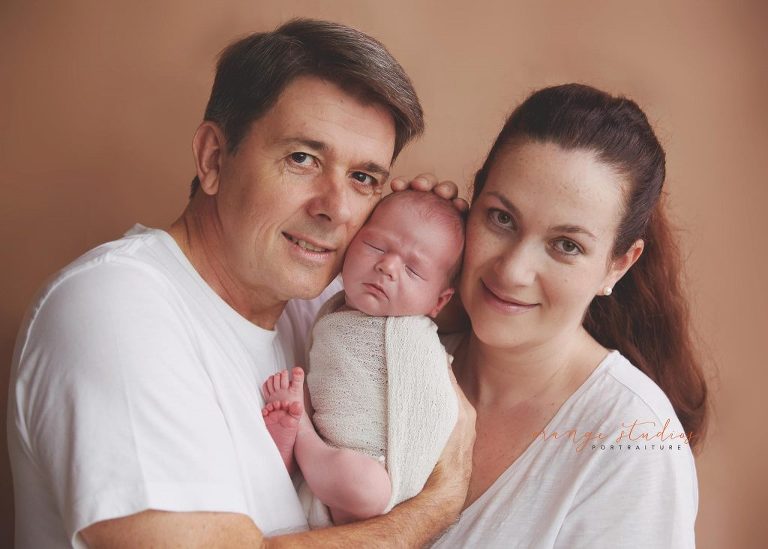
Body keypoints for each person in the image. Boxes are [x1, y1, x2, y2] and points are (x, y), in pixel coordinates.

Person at [7, 19, 475, 548]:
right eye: (303, 159)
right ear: (213, 159)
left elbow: (460, 316)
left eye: (363, 178)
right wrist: (436, 505)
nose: (337, 209)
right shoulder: (117, 308)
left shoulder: (316, 307)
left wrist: (437, 232)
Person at [431, 83, 709, 548]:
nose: (514, 270)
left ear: (619, 263)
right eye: (501, 218)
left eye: (567, 245)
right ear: (472, 202)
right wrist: (393, 238)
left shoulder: (634, 442)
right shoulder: (405, 349)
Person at [262, 190, 465, 526]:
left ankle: (301, 438)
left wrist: (404, 482)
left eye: (413, 270)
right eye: (376, 247)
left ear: (439, 302)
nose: (387, 266)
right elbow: (324, 379)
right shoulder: (331, 310)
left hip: (380, 473)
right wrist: (302, 403)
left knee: (367, 486)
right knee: (349, 477)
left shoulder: (415, 338)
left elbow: (434, 409)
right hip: (331, 469)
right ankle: (296, 441)